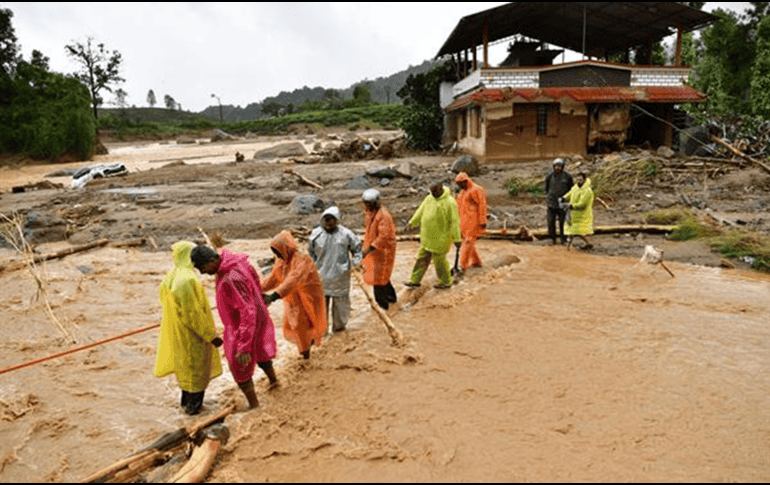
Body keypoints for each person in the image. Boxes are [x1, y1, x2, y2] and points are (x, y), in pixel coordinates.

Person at [190, 245, 278, 409]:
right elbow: (255, 279)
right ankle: (274, 382)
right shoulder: (237, 261)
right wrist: (259, 296)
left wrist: (243, 346)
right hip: (258, 314)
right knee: (261, 351)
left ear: (212, 260)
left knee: (238, 365)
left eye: (202, 268)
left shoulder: (231, 277)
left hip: (243, 324)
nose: (203, 273)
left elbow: (246, 311)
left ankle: (254, 406)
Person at [154, 240, 223, 416]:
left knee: (186, 372)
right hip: (192, 334)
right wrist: (210, 335)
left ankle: (184, 410)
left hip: (177, 332)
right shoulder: (187, 280)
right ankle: (193, 417)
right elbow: (193, 314)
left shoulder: (171, 276)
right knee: (196, 374)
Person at [262, 230, 327, 359]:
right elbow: (274, 278)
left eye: (277, 250)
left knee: (306, 324)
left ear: (285, 248)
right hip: (293, 298)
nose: (275, 254)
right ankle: (306, 351)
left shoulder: (302, 259)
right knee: (296, 325)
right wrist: (257, 289)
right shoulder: (282, 261)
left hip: (308, 297)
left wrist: (273, 296)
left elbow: (293, 279)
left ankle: (306, 356)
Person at [308, 206, 362, 333]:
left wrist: (356, 263)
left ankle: (339, 330)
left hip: (340, 276)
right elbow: (310, 254)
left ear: (337, 221)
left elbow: (358, 250)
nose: (329, 226)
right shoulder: (315, 235)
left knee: (341, 307)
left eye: (332, 223)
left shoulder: (346, 234)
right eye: (326, 223)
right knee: (320, 308)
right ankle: (322, 333)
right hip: (321, 277)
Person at [405, 179, 462, 290]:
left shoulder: (450, 202)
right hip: (427, 237)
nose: (433, 193)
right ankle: (414, 281)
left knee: (439, 262)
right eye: (432, 191)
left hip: (441, 239)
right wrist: (411, 222)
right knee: (420, 259)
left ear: (441, 189)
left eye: (435, 191)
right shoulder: (429, 198)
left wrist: (457, 239)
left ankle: (445, 282)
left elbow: (454, 222)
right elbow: (420, 211)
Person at [360, 189, 398, 310]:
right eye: (366, 203)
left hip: (384, 250)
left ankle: (383, 307)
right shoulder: (370, 212)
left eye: (369, 203)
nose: (367, 206)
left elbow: (383, 237)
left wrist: (367, 250)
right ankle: (392, 299)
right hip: (375, 250)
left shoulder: (383, 216)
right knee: (382, 276)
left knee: (378, 279)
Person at [455, 172, 488, 270]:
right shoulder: (462, 193)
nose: (459, 186)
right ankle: (476, 262)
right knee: (468, 241)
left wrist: (483, 220)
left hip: (474, 221)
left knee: (468, 242)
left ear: (465, 181)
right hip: (464, 222)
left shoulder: (476, 190)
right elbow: (458, 208)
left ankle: (463, 265)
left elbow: (482, 205)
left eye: (460, 184)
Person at [544, 158, 574, 245]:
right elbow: (546, 189)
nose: (557, 168)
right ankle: (552, 239)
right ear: (553, 167)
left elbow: (571, 189)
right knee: (551, 221)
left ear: (563, 167)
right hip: (551, 203)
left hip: (562, 203)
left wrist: (568, 200)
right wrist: (549, 197)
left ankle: (563, 239)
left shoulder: (567, 177)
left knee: (562, 222)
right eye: (556, 166)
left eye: (559, 166)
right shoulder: (549, 176)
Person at [563, 172, 595, 250]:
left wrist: (572, 206)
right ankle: (569, 246)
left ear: (584, 180)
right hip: (574, 214)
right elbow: (570, 193)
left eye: (580, 179)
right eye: (577, 179)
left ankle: (569, 246)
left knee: (577, 231)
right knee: (573, 230)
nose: (579, 181)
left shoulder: (587, 191)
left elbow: (582, 204)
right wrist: (564, 198)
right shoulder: (575, 188)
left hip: (582, 214)